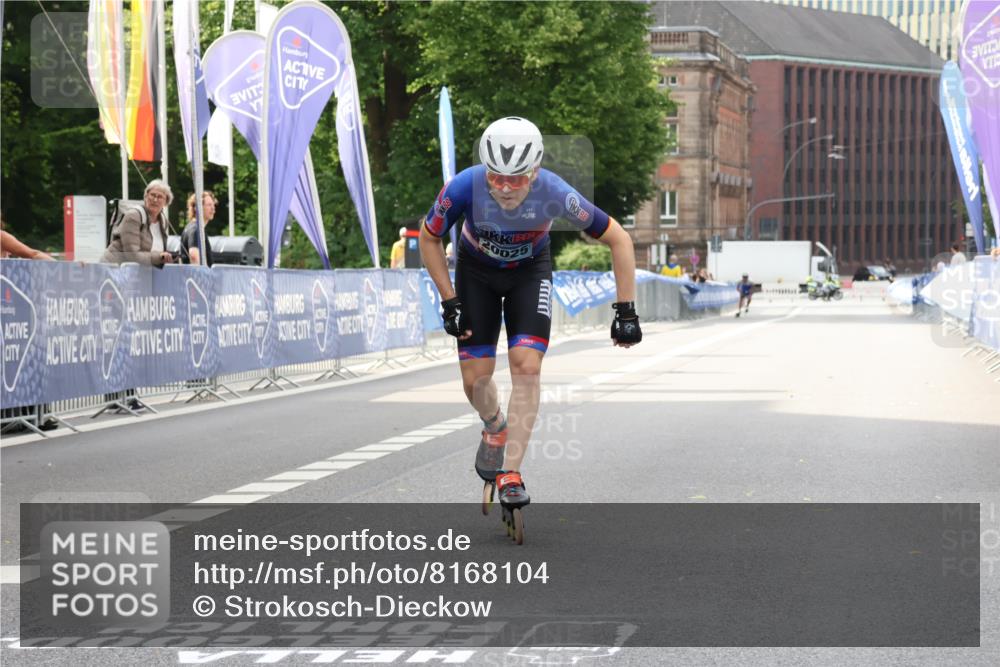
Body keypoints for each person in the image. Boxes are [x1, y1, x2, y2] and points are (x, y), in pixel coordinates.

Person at [419, 116, 641, 521]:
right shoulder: (464, 185)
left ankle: (511, 473)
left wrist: (625, 310)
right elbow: (429, 236)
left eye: (516, 178)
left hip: (529, 273)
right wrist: (449, 299)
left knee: (526, 367)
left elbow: (618, 238)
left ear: (534, 171)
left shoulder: (554, 190)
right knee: (477, 380)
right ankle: (494, 424)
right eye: (497, 177)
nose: (504, 187)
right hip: (476, 275)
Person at [100, 179, 174, 266]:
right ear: (146, 196)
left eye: (160, 197)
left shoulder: (163, 221)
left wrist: (167, 257)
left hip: (137, 273)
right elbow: (132, 254)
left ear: (166, 202)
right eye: (152, 195)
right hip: (114, 269)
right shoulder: (134, 216)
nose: (155, 199)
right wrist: (159, 257)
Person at [180, 191, 216, 266]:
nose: (213, 208)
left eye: (213, 205)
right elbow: (194, 257)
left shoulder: (192, 227)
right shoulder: (195, 229)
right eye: (209, 205)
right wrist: (202, 275)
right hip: (198, 277)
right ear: (197, 207)